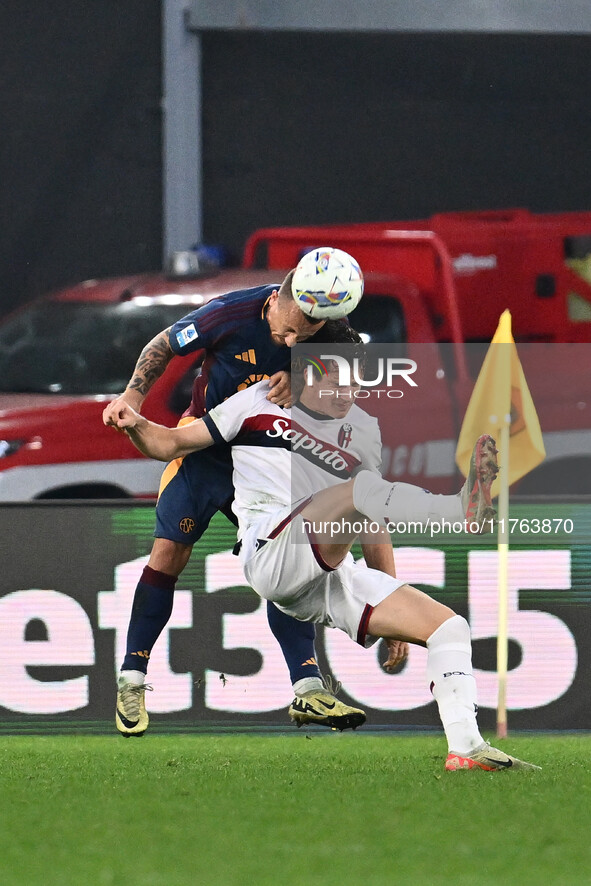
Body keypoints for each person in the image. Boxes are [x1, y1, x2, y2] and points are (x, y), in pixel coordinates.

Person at [107, 332, 540, 771]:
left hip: (327, 572)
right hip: (270, 547)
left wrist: (390, 612)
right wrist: (134, 423)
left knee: (449, 629)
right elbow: (171, 444)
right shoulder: (258, 401)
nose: (348, 392)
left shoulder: (364, 430)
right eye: (338, 379)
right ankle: (459, 509)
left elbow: (371, 522)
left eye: (356, 381)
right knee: (357, 491)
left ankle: (466, 748)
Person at [103, 269, 369, 736]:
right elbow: (161, 346)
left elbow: (349, 378)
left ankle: (308, 688)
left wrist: (304, 375)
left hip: (262, 456)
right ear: (281, 296)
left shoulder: (327, 331)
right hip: (202, 449)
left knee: (284, 564)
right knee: (169, 555)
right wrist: (132, 397)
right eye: (289, 329)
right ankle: (131, 678)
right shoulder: (230, 313)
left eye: (304, 335)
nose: (292, 340)